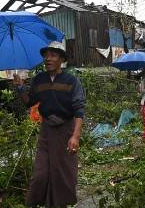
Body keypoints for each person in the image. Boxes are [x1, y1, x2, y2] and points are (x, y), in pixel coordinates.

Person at [13, 41, 86, 207]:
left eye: (53, 55)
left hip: (66, 130)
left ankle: (59, 204)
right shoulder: (39, 80)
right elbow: (29, 102)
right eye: (46, 55)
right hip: (46, 131)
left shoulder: (71, 81)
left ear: (61, 59)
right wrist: (20, 89)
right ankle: (36, 202)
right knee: (40, 173)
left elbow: (79, 110)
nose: (48, 58)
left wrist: (75, 136)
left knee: (63, 173)